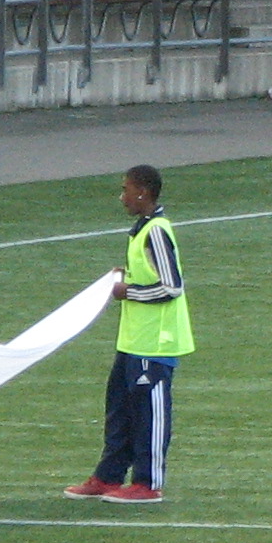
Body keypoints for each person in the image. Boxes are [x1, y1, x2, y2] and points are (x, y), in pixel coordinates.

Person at [66, 165, 193, 505]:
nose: (122, 197)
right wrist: (126, 276)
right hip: (133, 340)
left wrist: (128, 291)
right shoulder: (142, 231)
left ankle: (148, 482)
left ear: (143, 192)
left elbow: (171, 287)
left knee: (150, 414)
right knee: (119, 410)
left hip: (155, 342)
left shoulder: (156, 232)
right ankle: (109, 475)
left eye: (126, 190)